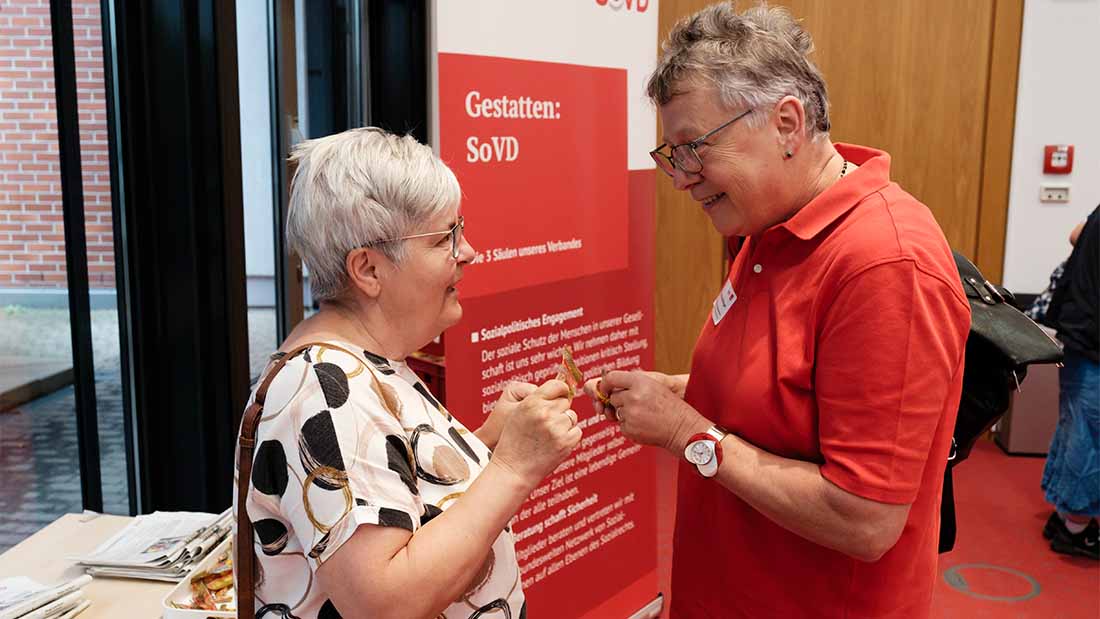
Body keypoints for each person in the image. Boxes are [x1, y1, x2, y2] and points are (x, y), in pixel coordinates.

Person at [584, 3, 970, 617]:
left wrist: (687, 432)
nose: (682, 178)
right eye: (672, 153)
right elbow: (787, 394)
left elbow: (865, 519)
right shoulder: (767, 228)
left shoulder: (884, 264)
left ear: (787, 123)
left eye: (696, 148)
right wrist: (682, 391)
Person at [234, 127, 582, 618]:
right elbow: (386, 603)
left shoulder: (359, 364)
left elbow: (397, 501)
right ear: (369, 269)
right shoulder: (326, 389)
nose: (468, 252)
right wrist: (513, 469)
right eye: (446, 238)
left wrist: (488, 446)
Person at [1040, 206, 1098, 560]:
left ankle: (1066, 515)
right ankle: (1074, 527)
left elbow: (1076, 234)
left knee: (1076, 426)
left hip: (1079, 326)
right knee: (1090, 435)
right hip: (1092, 336)